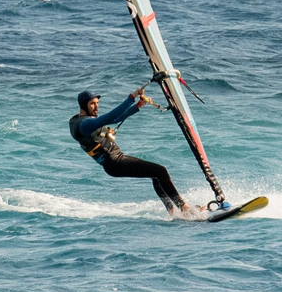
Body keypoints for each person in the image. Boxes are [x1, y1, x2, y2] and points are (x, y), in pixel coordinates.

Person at [69, 87, 199, 218]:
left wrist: (137, 106)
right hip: (114, 162)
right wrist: (131, 98)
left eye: (97, 103)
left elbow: (115, 120)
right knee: (161, 171)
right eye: (92, 104)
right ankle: (184, 209)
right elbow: (109, 117)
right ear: (83, 105)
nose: (96, 107)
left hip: (115, 161)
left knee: (156, 175)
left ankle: (172, 211)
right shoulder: (84, 125)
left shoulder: (87, 121)